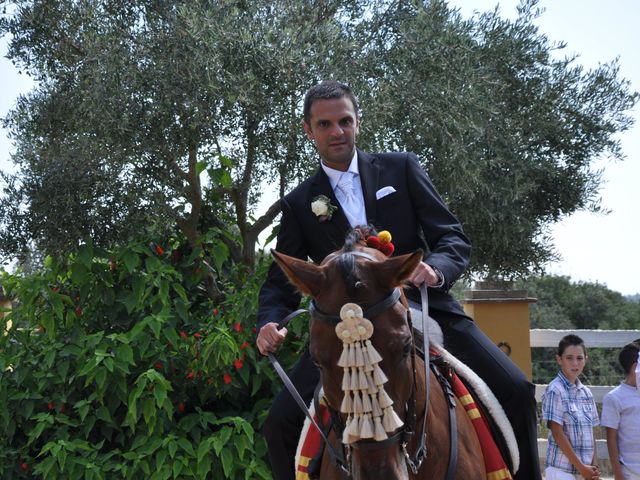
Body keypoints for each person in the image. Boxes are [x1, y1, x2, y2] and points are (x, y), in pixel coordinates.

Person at [256, 80, 541, 480]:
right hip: (342, 329)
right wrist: (269, 320)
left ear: (358, 122)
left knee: (516, 390)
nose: (337, 131)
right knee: (279, 424)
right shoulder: (300, 201)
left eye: (344, 121)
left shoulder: (401, 168)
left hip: (423, 307)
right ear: (309, 130)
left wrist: (436, 269)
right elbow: (279, 282)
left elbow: (451, 236)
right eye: (325, 124)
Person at [541, 334, 600, 480]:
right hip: (561, 471)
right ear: (559, 359)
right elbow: (557, 433)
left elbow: (591, 434)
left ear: (585, 360)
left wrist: (594, 469)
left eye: (579, 358)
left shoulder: (587, 393)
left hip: (586, 472)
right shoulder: (555, 390)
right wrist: (581, 468)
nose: (575, 363)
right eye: (569, 358)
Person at [600, 341, 640, 480]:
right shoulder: (614, 398)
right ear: (635, 367)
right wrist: (618, 474)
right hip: (629, 473)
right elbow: (611, 439)